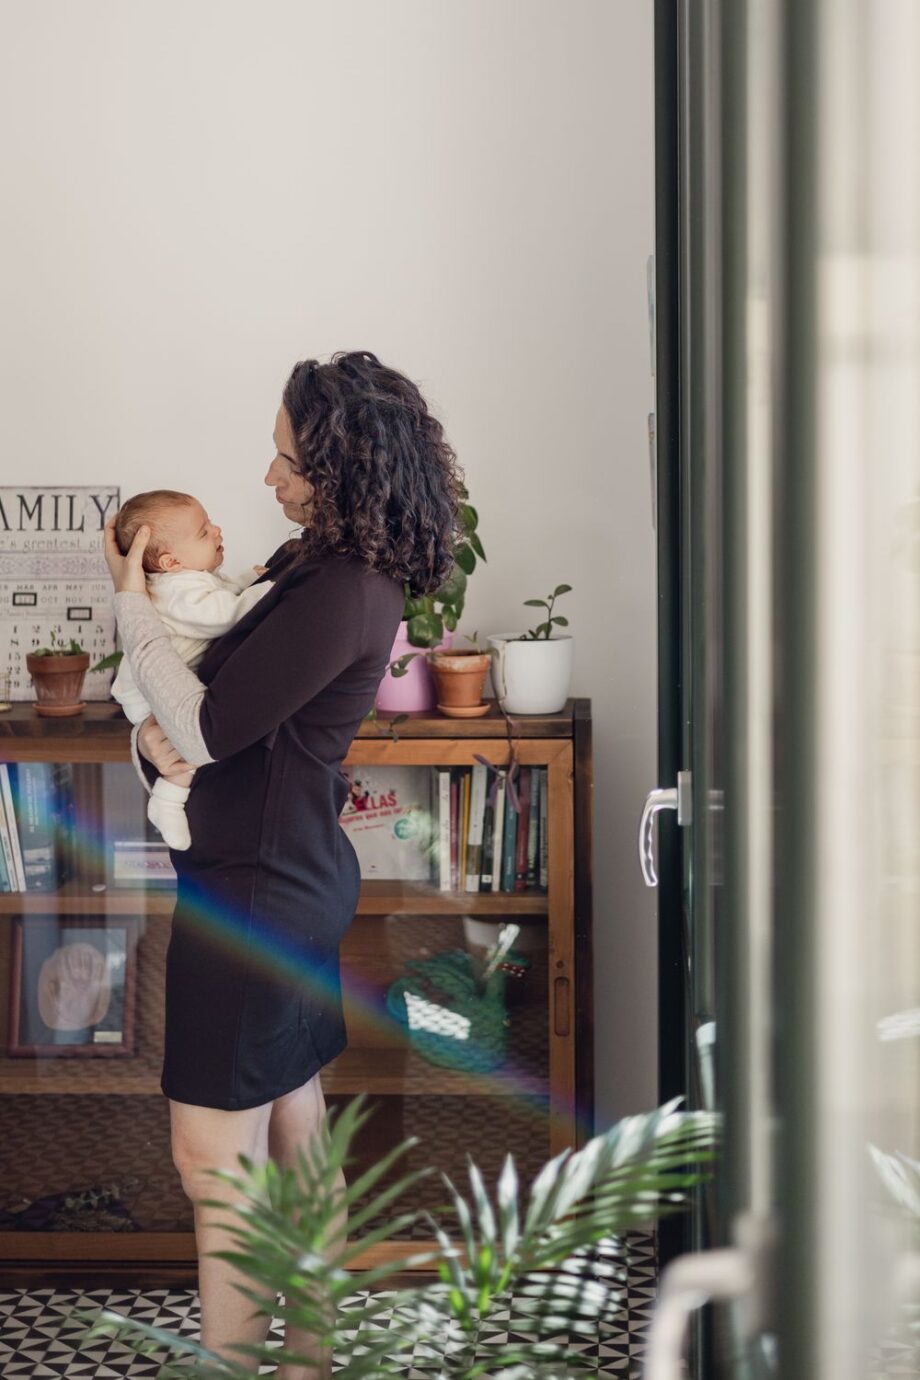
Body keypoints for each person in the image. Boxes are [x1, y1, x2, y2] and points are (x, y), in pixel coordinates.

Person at [103, 351, 462, 1379]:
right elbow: (193, 718)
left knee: (213, 1167)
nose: (268, 479)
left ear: (341, 467)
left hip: (256, 899)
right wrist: (147, 744)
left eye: (286, 459)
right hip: (274, 884)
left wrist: (132, 598)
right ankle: (310, 1363)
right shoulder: (314, 566)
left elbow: (208, 727)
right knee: (294, 1143)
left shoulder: (340, 588)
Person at [110, 489, 272, 850]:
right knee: (183, 749)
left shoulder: (188, 579)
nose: (217, 531)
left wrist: (248, 579)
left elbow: (221, 591)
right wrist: (268, 591)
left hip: (151, 687)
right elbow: (223, 614)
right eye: (203, 532)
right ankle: (167, 803)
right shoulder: (175, 589)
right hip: (147, 693)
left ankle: (167, 801)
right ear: (170, 562)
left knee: (181, 748)